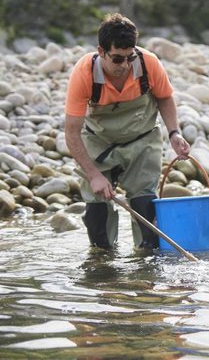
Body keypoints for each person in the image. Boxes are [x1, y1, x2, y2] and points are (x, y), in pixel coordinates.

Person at [64, 13, 191, 250]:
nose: (125, 65)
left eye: (129, 57)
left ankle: (146, 264)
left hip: (142, 141)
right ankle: (103, 265)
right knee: (96, 211)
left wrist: (174, 133)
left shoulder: (148, 62)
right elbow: (71, 133)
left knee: (145, 202)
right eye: (117, 59)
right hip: (99, 142)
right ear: (101, 52)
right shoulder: (84, 73)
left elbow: (165, 97)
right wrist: (93, 175)